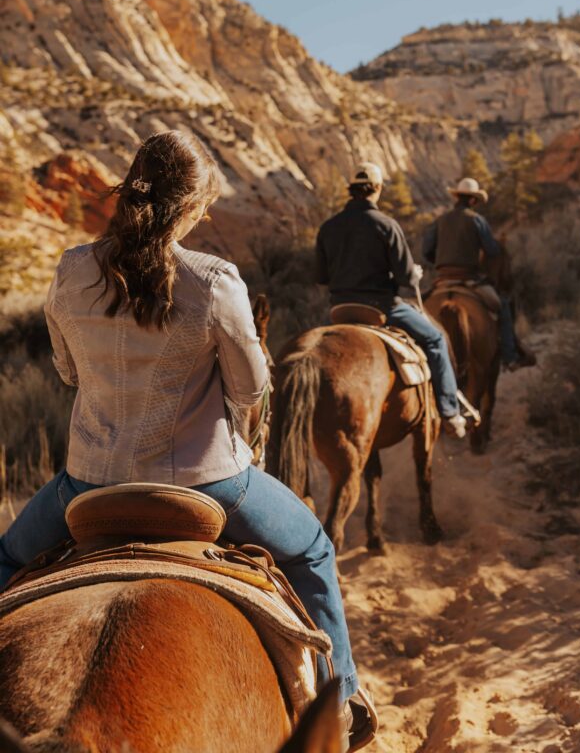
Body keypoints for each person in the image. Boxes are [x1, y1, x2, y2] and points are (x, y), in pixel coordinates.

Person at [0, 131, 375, 751]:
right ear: (193, 207)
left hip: (88, 481)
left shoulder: (71, 268)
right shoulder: (213, 279)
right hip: (212, 484)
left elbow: (67, 371)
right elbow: (252, 389)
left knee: (10, 560)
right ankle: (346, 700)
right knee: (312, 552)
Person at [315, 161, 470, 438]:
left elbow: (320, 276)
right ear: (377, 189)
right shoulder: (386, 224)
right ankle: (449, 411)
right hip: (381, 307)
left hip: (339, 309)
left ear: (351, 190)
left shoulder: (328, 227)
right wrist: (415, 272)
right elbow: (406, 279)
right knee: (435, 340)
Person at [422, 176, 534, 371]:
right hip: (469, 279)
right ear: (473, 200)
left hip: (442, 279)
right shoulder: (477, 220)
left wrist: (440, 262)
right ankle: (509, 357)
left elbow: (426, 251)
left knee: (422, 309)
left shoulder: (440, 220)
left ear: (457, 197)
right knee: (503, 308)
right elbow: (492, 250)